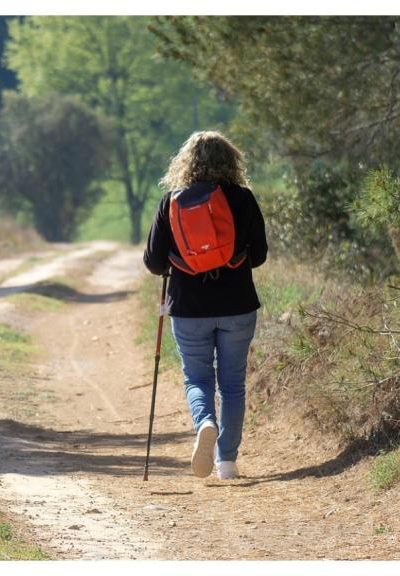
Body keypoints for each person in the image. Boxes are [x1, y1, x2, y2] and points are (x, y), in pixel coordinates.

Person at [143, 130, 267, 480]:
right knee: (232, 384)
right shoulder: (243, 199)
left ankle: (205, 423)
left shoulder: (171, 201)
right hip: (238, 304)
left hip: (188, 306)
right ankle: (226, 462)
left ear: (186, 162)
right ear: (231, 161)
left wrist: (179, 259)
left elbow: (153, 263)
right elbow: (258, 256)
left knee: (197, 377)